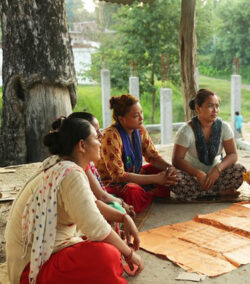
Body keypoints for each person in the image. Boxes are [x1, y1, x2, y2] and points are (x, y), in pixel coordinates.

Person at [5, 117, 143, 284]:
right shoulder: (70, 173)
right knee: (108, 254)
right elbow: (97, 228)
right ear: (82, 145)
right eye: (96, 137)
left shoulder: (64, 166)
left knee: (112, 239)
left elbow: (93, 204)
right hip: (33, 269)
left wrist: (123, 218)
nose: (100, 141)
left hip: (41, 258)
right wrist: (129, 254)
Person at [95, 94, 179, 213]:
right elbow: (118, 176)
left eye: (141, 113)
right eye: (135, 115)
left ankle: (148, 193)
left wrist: (170, 168)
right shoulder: (111, 136)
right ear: (121, 118)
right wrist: (155, 179)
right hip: (112, 183)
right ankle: (150, 193)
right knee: (132, 191)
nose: (141, 118)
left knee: (165, 172)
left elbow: (152, 157)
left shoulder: (140, 130)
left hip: (135, 172)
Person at [170, 89, 246, 200]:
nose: (215, 110)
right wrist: (198, 174)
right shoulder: (186, 131)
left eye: (217, 106)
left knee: (240, 171)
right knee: (173, 178)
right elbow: (177, 160)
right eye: (210, 106)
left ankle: (200, 194)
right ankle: (219, 193)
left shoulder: (224, 127)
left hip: (216, 176)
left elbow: (233, 154)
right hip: (191, 176)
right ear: (197, 108)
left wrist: (218, 169)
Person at [68, 112, 135, 217]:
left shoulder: (85, 160)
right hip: (90, 205)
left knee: (118, 201)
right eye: (96, 133)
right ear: (82, 144)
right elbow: (100, 197)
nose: (101, 135)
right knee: (118, 207)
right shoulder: (79, 166)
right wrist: (121, 203)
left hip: (100, 196)